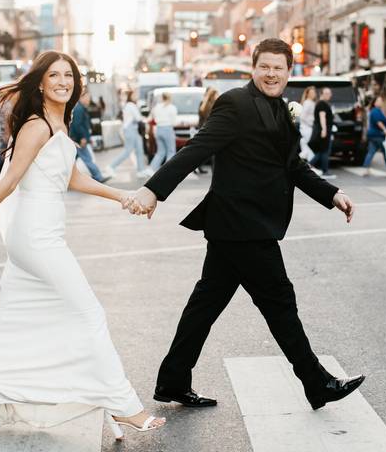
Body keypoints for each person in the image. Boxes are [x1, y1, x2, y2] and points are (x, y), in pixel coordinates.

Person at [127, 38, 363, 412]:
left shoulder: (282, 109)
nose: (271, 73)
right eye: (264, 66)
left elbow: (293, 166)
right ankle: (317, 383)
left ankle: (172, 380)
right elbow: (197, 148)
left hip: (234, 228)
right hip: (243, 227)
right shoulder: (236, 103)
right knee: (280, 303)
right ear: (254, 68)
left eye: (278, 68)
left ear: (289, 72)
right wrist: (154, 190)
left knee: (205, 305)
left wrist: (331, 195)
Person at [0, 51, 165, 441]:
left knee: (14, 319)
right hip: (36, 237)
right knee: (89, 313)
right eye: (54, 75)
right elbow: (7, 182)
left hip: (44, 233)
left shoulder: (57, 123)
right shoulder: (37, 126)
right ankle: (124, 405)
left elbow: (73, 178)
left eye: (69, 75)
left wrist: (123, 196)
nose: (63, 81)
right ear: (41, 83)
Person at [106, 91, 151, 178]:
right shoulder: (131, 105)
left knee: (139, 149)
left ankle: (141, 170)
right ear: (131, 96)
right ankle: (111, 166)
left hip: (134, 129)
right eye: (135, 95)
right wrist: (147, 118)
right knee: (128, 151)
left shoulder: (130, 105)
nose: (137, 96)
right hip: (130, 129)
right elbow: (138, 118)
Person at [69, 90, 109, 182]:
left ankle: (65, 179)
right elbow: (77, 125)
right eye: (87, 97)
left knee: (71, 161)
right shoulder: (79, 109)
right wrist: (83, 138)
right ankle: (98, 176)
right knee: (87, 159)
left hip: (77, 139)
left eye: (89, 98)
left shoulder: (81, 108)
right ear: (81, 97)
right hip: (78, 139)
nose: (88, 100)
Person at [363, 95, 386, 176]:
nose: (381, 102)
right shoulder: (376, 111)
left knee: (371, 151)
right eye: (379, 100)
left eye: (381, 100)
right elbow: (379, 122)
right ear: (375, 102)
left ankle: (366, 169)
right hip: (377, 135)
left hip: (373, 135)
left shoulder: (376, 111)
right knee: (385, 151)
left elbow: (382, 122)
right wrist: (385, 130)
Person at [309, 87, 336, 179]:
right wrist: (324, 130)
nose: (329, 95)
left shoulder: (322, 103)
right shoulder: (322, 104)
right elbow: (322, 117)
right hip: (323, 131)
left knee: (322, 151)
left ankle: (311, 167)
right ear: (322, 93)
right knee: (323, 151)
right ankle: (323, 170)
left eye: (330, 93)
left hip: (324, 131)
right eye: (326, 93)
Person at [149, 92, 178, 171]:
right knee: (171, 151)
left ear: (162, 98)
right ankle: (167, 170)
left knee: (160, 152)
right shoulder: (172, 107)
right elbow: (174, 122)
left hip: (158, 129)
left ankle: (151, 169)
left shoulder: (156, 107)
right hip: (167, 129)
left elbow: (152, 118)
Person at [194, 87, 218, 174]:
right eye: (216, 94)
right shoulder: (209, 104)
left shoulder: (208, 103)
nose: (218, 96)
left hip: (207, 129)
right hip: (208, 129)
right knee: (211, 151)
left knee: (208, 151)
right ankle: (212, 170)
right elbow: (204, 113)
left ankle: (199, 167)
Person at [298, 86, 317, 161]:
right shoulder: (307, 103)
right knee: (308, 148)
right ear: (307, 94)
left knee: (306, 148)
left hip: (308, 128)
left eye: (314, 92)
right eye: (311, 93)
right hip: (307, 128)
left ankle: (306, 165)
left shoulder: (311, 102)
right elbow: (302, 117)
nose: (313, 94)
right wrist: (312, 124)